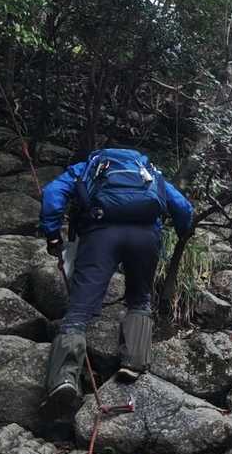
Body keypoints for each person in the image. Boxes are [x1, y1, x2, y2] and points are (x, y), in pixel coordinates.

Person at [38, 146, 194, 414]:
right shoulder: (149, 171)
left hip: (100, 234)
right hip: (145, 237)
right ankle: (133, 362)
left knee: (79, 308)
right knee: (139, 299)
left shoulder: (89, 167)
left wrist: (52, 234)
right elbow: (181, 206)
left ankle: (64, 379)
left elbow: (53, 192)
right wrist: (184, 230)